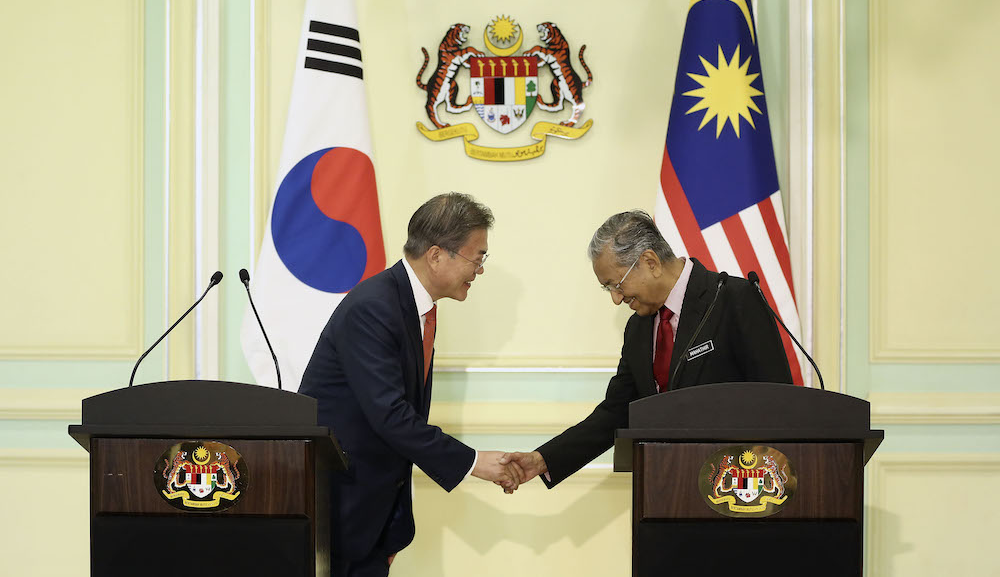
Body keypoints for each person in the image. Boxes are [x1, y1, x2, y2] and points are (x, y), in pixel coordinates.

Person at [299, 192, 518, 577]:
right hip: (337, 511)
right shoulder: (375, 307)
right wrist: (473, 462)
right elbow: (391, 415)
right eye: (476, 257)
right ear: (436, 255)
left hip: (374, 513)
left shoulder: (413, 306)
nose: (479, 270)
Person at [501, 209, 793, 488]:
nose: (616, 299)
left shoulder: (733, 299)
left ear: (650, 262)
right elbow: (617, 412)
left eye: (616, 284)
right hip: (664, 488)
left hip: (738, 489)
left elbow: (776, 401)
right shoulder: (639, 328)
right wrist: (543, 460)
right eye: (608, 289)